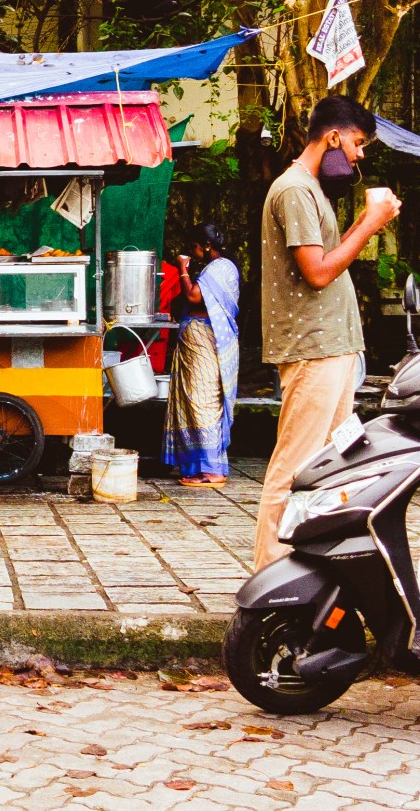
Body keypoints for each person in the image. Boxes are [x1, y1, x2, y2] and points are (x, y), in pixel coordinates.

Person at [254, 96, 401, 569]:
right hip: (312, 348)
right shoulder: (294, 189)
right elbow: (317, 272)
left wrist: (366, 221)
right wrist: (370, 225)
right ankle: (268, 578)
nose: (360, 155)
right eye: (358, 143)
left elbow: (329, 258)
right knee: (295, 467)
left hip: (332, 348)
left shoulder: (311, 190)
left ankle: (308, 575)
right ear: (334, 137)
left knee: (328, 469)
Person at [161, 223, 240, 487]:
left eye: (194, 247)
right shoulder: (218, 267)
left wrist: (183, 268)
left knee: (201, 399)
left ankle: (213, 470)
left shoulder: (220, 268)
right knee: (193, 399)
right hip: (198, 340)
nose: (192, 252)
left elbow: (194, 296)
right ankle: (198, 466)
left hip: (204, 340)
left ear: (206, 245)